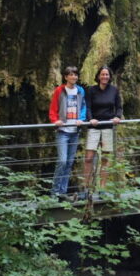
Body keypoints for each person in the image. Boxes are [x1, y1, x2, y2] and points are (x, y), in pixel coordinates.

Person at [83, 65, 123, 195]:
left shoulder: (114, 90)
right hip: (94, 126)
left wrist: (117, 117)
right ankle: (86, 188)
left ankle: (102, 189)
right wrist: (90, 119)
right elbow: (87, 107)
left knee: (105, 158)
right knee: (89, 158)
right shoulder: (91, 90)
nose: (105, 77)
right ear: (98, 76)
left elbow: (119, 107)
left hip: (107, 127)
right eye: (102, 74)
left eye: (107, 74)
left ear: (110, 77)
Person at [48, 66, 86, 198]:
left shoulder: (80, 90)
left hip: (75, 131)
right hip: (62, 131)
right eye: (71, 75)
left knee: (69, 162)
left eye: (75, 75)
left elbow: (83, 107)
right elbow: (53, 108)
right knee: (62, 161)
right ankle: (55, 192)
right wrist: (55, 120)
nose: (74, 77)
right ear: (66, 77)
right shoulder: (59, 90)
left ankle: (62, 192)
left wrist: (81, 119)